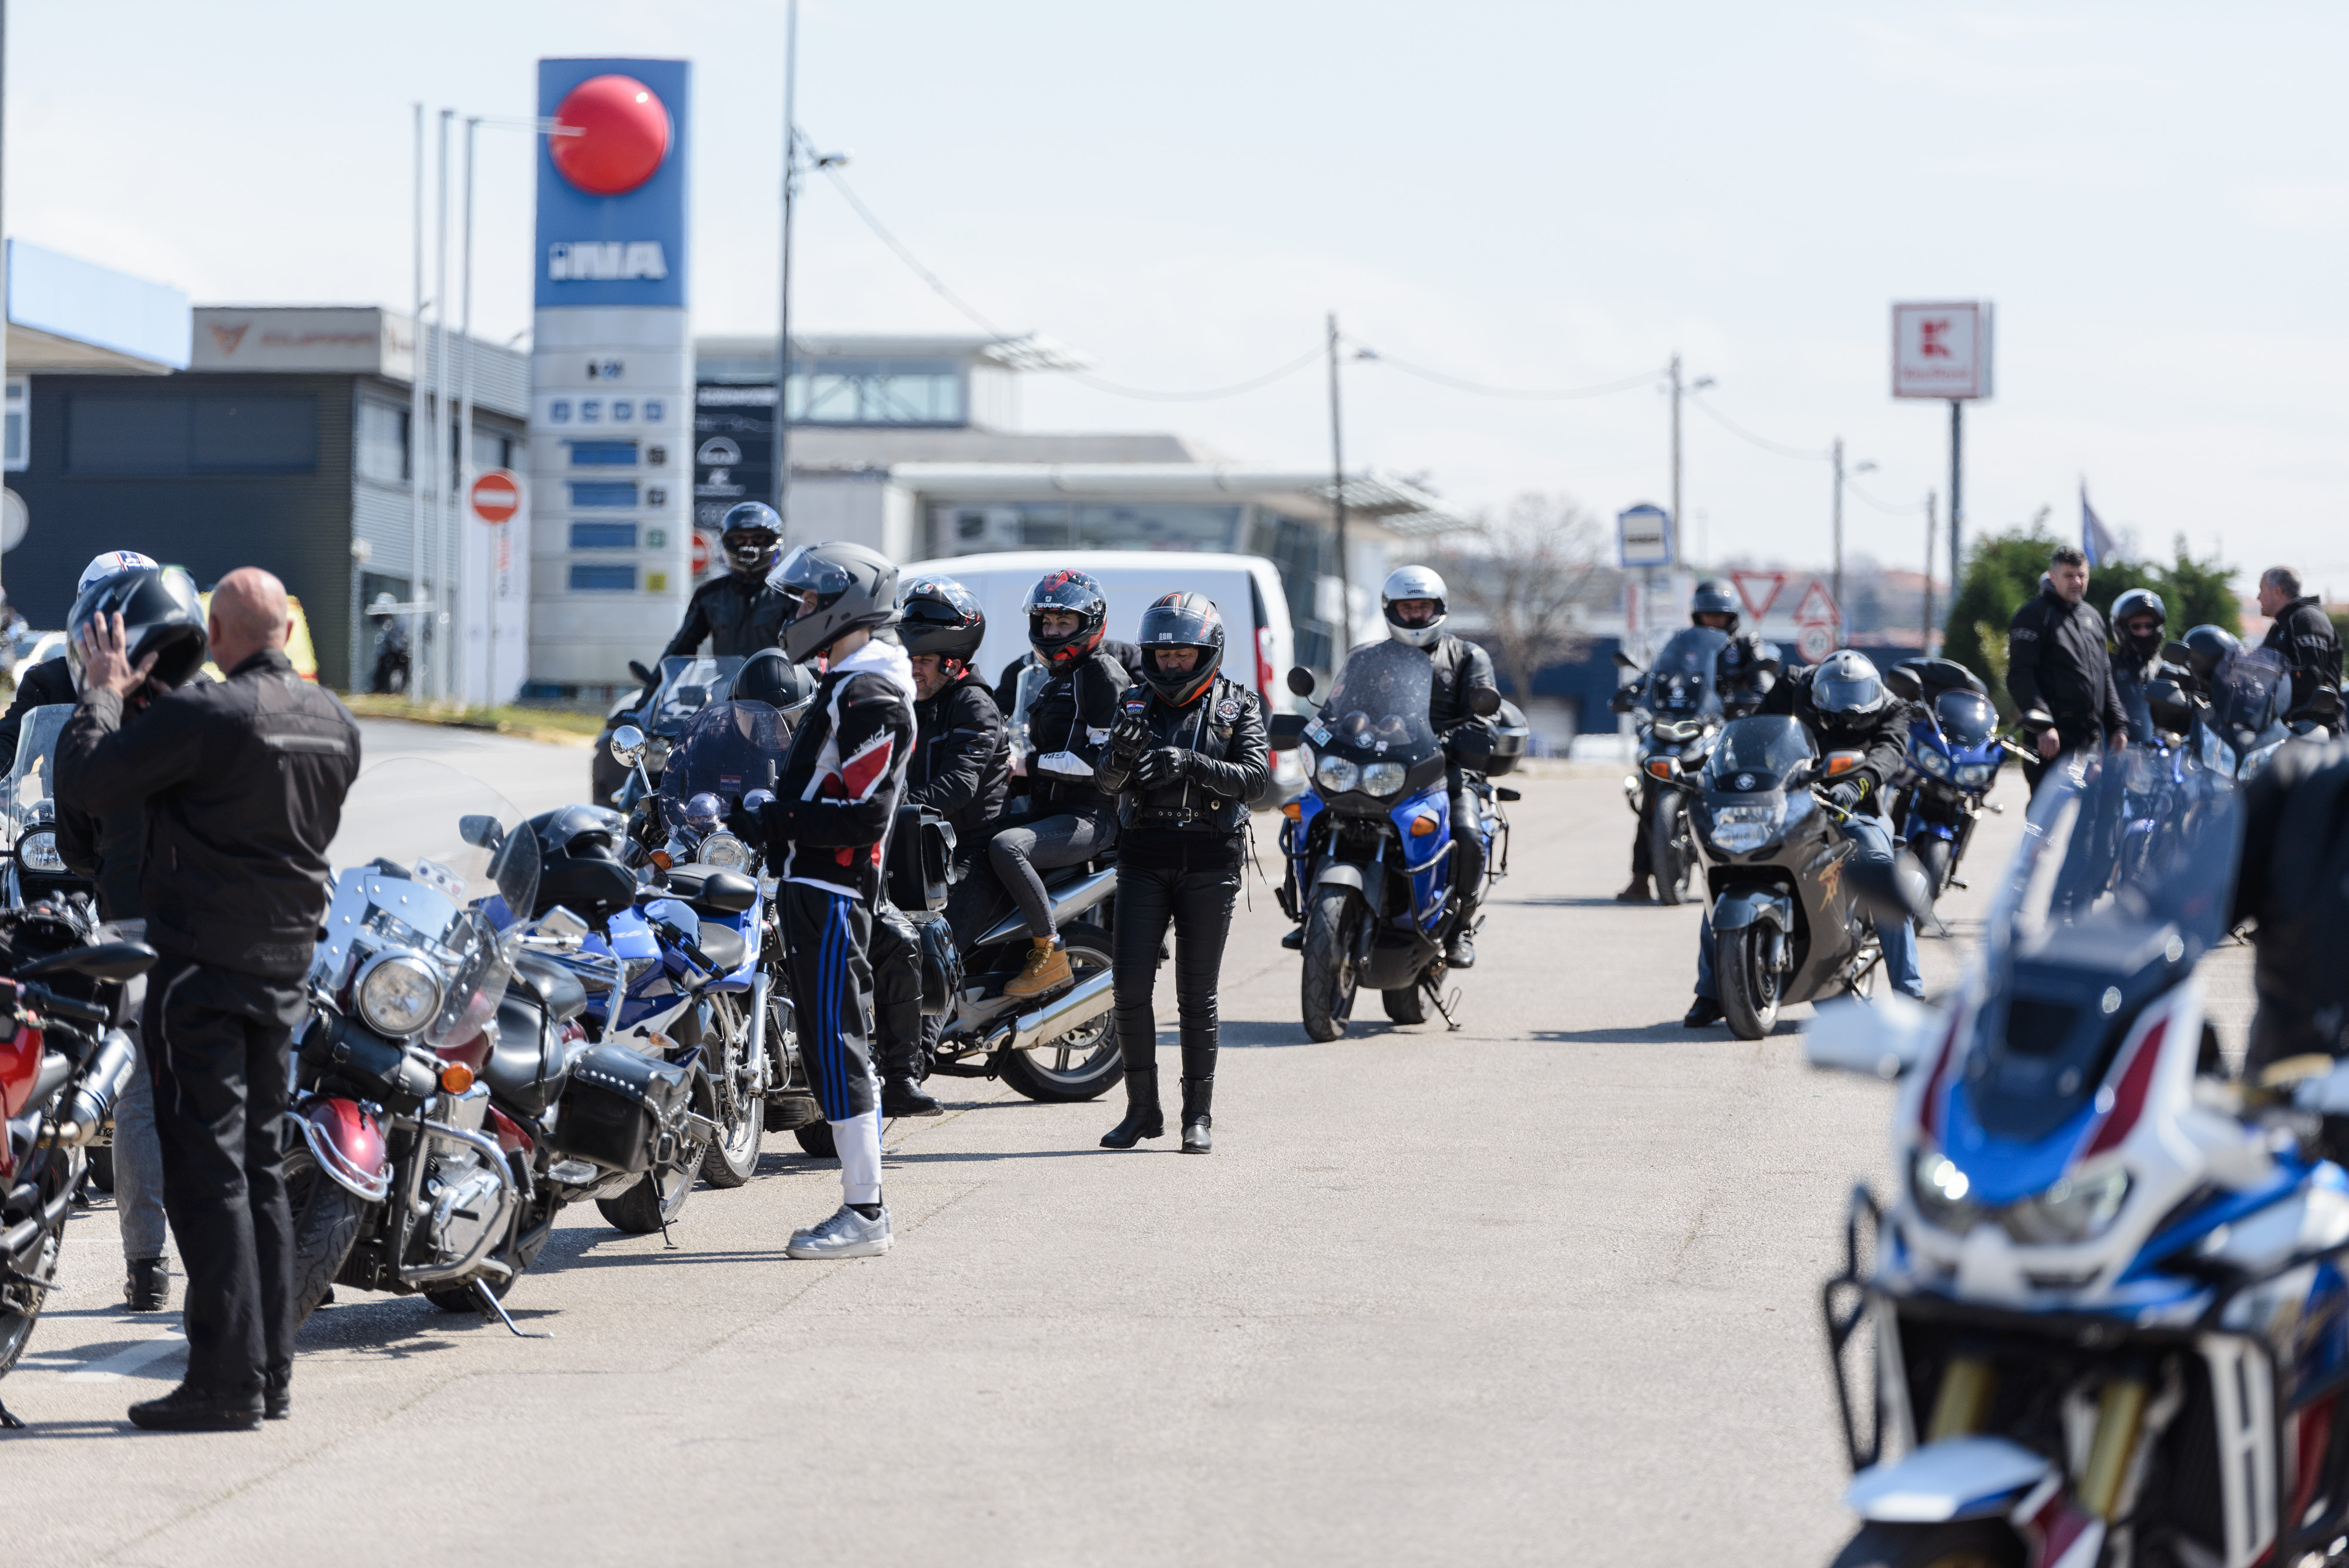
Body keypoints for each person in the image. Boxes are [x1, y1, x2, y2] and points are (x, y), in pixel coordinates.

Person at [58, 566, 361, 1431]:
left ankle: (223, 1380)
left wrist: (106, 692)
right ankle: (269, 1376)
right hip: (286, 969)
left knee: (207, 1176)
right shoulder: (332, 718)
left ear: (220, 631)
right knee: (259, 1168)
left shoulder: (209, 714)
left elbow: (86, 783)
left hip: (201, 968)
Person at [750, 541, 915, 1260]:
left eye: (812, 602)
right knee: (826, 1048)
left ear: (848, 607)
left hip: (833, 889)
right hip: (809, 885)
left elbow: (862, 818)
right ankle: (862, 1206)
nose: (801, 612)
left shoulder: (871, 694)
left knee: (837, 1045)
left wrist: (774, 819)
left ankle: (865, 1213)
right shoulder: (846, 683)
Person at [1095, 593, 1267, 1153]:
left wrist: (1192, 764)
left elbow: (1257, 779)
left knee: (1197, 995)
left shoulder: (1237, 704)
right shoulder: (1133, 702)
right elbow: (1105, 784)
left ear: (1208, 652)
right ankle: (1142, 1110)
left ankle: (1199, 1116)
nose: (1171, 664)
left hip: (1209, 860)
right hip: (1143, 855)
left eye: (1183, 655)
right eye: (1162, 655)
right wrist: (1120, 757)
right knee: (1127, 991)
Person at [52, 555, 179, 1315]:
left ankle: (147, 1267)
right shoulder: (212, 706)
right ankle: (287, 1260)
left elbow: (74, 836)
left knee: (135, 1096)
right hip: (222, 921)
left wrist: (98, 697)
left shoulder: (94, 721)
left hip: (132, 916)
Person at [1684, 649, 1923, 1025]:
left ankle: (1911, 996)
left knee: (1880, 868)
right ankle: (1711, 992)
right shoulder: (1795, 684)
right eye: (1837, 707)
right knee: (1729, 866)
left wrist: (1855, 785)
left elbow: (1889, 753)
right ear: (1819, 693)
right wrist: (1731, 776)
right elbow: (1754, 735)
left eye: (1857, 710)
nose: (1847, 716)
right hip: (1788, 799)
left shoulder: (1893, 708)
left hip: (1854, 803)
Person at [879, 576, 1009, 1118]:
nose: (914, 668)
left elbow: (959, 786)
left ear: (954, 660)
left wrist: (888, 809)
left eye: (926, 659)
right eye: (909, 656)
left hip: (966, 853)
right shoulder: (905, 702)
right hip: (910, 843)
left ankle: (908, 1074)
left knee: (928, 942)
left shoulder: (974, 706)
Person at [988, 570, 1129, 1000]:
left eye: (1063, 623)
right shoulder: (1052, 675)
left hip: (1091, 816)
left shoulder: (1102, 675)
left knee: (1007, 847)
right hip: (1050, 810)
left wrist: (1027, 764)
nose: (1052, 632)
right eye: (1046, 623)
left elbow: (1101, 764)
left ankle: (1050, 954)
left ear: (1089, 624)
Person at [1618, 580, 1781, 902]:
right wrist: (1634, 691)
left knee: (1746, 791)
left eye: (1719, 617)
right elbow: (1658, 674)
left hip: (1727, 728)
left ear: (1731, 618)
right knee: (1651, 792)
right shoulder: (1681, 644)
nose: (1713, 622)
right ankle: (1640, 877)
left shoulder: (1748, 645)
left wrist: (1755, 696)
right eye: (1707, 616)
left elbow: (1764, 681)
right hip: (1684, 722)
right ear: (1696, 616)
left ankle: (1752, 871)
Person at [1379, 566, 1499, 967]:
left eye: (1423, 606)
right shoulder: (1372, 658)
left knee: (1467, 834)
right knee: (1313, 815)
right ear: (1392, 609)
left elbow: (1485, 719)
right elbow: (1341, 706)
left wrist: (1450, 739)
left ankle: (1460, 926)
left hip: (1446, 771)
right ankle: (1313, 912)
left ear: (1439, 608)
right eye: (1407, 607)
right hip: (1383, 770)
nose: (1415, 614)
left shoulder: (1467, 657)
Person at [0, 550, 157, 761]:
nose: (126, 626)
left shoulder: (191, 685)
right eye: (115, 610)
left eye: (145, 608)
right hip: (66, 793)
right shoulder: (52, 681)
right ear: (88, 618)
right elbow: (9, 747)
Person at [2005, 546, 2128, 792]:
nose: (2077, 582)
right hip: (2052, 740)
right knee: (2046, 823)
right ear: (2052, 576)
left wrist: (2118, 726)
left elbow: (2104, 676)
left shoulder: (2092, 617)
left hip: (2089, 742)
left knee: (2087, 824)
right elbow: (2020, 675)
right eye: (2069, 576)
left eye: (2082, 575)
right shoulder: (2033, 616)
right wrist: (2043, 725)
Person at [660, 501, 796, 661]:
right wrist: (656, 682)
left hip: (779, 684)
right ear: (727, 542)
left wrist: (815, 678)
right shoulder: (710, 594)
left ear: (774, 541)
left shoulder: (791, 595)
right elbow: (682, 645)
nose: (749, 546)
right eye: (740, 539)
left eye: (758, 538)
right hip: (726, 685)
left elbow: (808, 649)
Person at [2257, 565, 2343, 731]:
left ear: (2277, 592)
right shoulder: (2280, 626)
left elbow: (2310, 678)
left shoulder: (2307, 619)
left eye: (2262, 590)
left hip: (2315, 729)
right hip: (2283, 727)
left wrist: (2268, 677)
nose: (2258, 597)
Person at [2108, 587, 2172, 745]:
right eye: (2136, 627)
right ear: (2122, 629)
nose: (2143, 632)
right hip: (2118, 749)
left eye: (2149, 626)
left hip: (2160, 753)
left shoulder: (2168, 668)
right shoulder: (2109, 669)